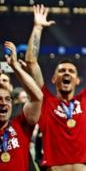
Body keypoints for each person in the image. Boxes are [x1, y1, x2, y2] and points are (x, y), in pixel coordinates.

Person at [24, 4, 86, 170]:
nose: (67, 73)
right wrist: (37, 28)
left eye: (71, 71)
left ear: (78, 80)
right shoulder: (44, 101)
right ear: (53, 79)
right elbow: (31, 63)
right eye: (62, 71)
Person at [1, 41, 43, 171]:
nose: (3, 103)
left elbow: (38, 97)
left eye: (7, 99)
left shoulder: (20, 125)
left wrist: (15, 66)